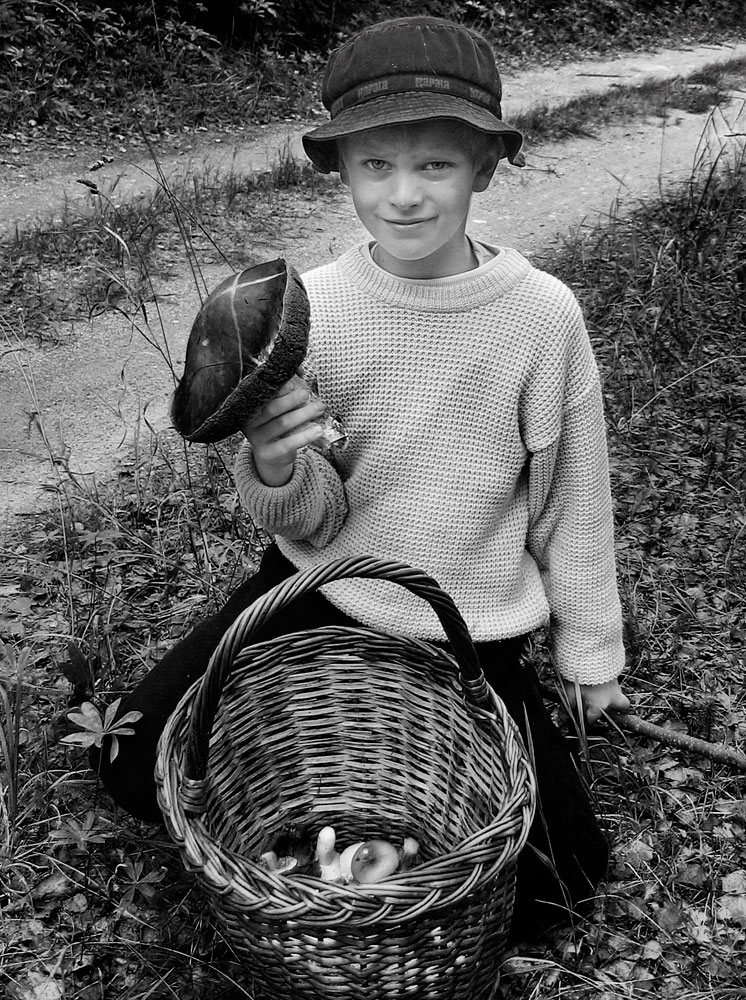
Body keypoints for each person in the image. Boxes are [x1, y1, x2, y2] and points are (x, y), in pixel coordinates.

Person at [93, 15, 630, 942]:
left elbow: (573, 498)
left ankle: (402, 778)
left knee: (561, 887)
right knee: (134, 759)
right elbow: (313, 503)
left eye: (437, 166)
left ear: (486, 168)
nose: (406, 196)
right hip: (317, 585)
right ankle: (309, 797)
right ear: (340, 172)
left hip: (468, 616)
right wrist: (273, 464)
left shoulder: (541, 318)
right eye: (376, 167)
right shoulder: (311, 310)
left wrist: (592, 657)